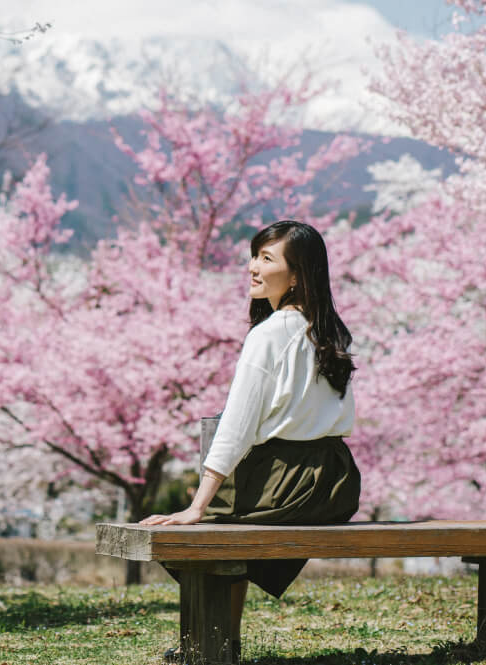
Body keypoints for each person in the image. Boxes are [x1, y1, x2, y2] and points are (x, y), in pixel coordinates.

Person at [139, 220, 361, 657]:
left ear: (297, 275)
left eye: (266, 258)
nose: (251, 268)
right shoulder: (330, 331)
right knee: (225, 522)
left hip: (286, 481)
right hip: (335, 482)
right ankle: (220, 641)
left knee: (204, 531)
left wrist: (196, 507)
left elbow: (236, 427)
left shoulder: (269, 335)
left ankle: (209, 644)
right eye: (254, 255)